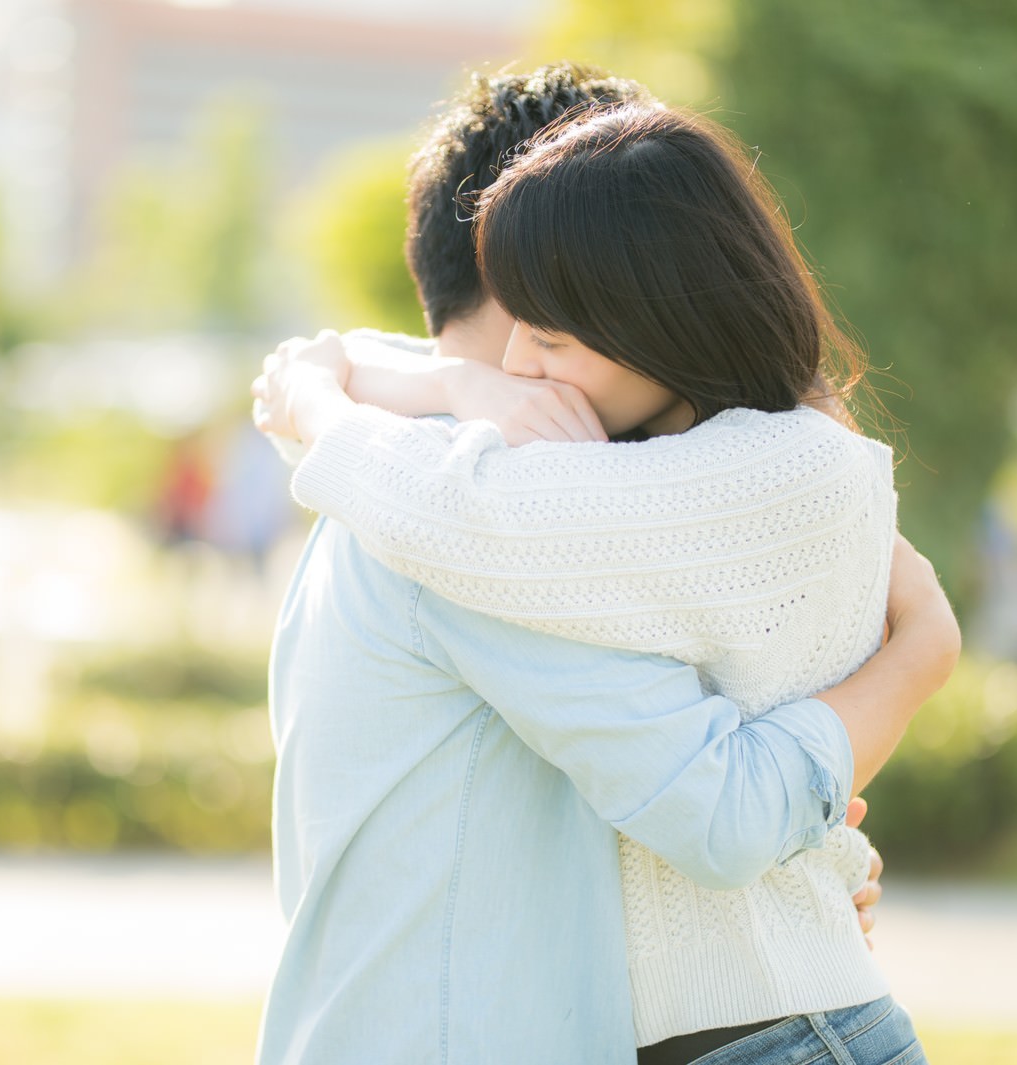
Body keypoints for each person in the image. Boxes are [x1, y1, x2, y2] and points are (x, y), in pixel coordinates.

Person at [254, 68, 959, 1065]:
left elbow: (729, 812)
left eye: (558, 332)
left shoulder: (510, 510)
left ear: (638, 302)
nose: (529, 379)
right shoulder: (452, 510)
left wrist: (329, 391)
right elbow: (739, 812)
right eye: (527, 335)